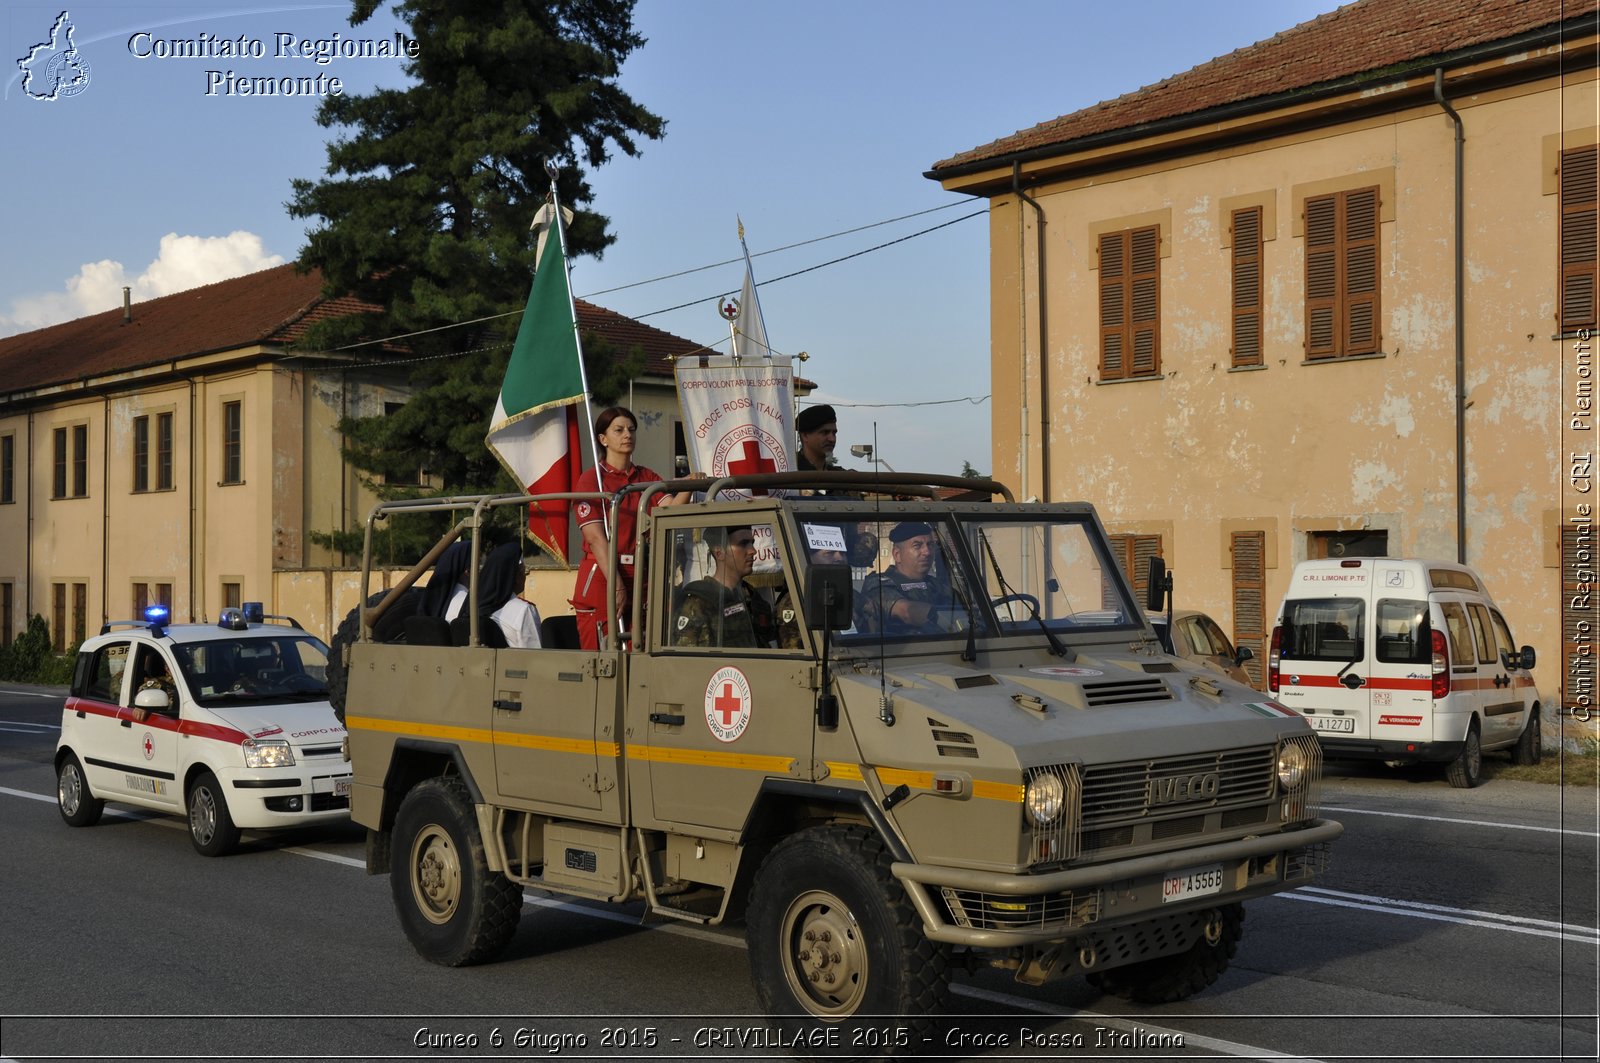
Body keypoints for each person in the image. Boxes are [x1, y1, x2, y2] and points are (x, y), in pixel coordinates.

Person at [571, 406, 687, 650]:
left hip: (640, 575)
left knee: (640, 650)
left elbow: (669, 512)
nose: (628, 435)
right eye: (619, 430)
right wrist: (616, 583)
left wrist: (689, 485)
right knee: (605, 655)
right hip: (604, 574)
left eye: (632, 429)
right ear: (603, 439)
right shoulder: (591, 479)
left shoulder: (646, 476)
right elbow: (595, 538)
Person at [673, 524, 777, 648]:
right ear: (719, 553)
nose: (752, 551)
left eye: (752, 543)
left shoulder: (752, 598)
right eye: (743, 544)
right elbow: (687, 661)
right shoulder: (698, 605)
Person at [856, 521, 955, 636]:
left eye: (930, 545)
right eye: (917, 546)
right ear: (897, 554)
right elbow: (905, 612)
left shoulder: (935, 584)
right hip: (899, 650)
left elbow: (962, 608)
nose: (927, 552)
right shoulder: (878, 583)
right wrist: (944, 621)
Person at [478, 542, 543, 649]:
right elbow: (535, 657)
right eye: (524, 571)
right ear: (517, 576)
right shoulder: (524, 610)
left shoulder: (472, 610)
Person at [794, 404, 840, 473]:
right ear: (805, 436)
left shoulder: (839, 476)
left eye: (834, 433)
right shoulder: (789, 470)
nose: (832, 439)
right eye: (825, 432)